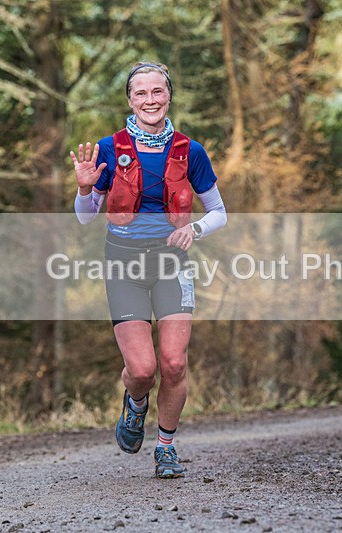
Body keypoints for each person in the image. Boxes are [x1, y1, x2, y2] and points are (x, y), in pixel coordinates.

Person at [70, 61, 227, 478]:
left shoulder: (190, 151)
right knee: (142, 370)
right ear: (130, 100)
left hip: (172, 264)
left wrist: (193, 228)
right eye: (141, 93)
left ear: (169, 96)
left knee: (174, 363)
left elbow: (218, 213)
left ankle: (166, 447)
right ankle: (135, 404)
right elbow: (86, 217)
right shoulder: (109, 148)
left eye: (157, 92)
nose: (150, 100)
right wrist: (85, 189)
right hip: (124, 264)